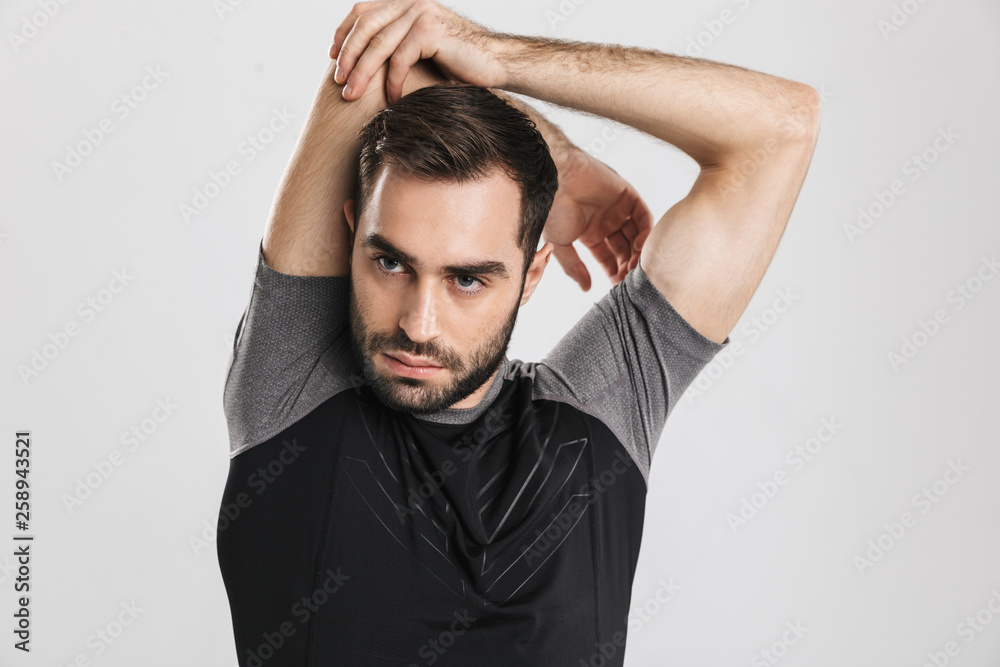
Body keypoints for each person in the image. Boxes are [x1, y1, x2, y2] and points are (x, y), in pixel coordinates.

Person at [216, 1, 820, 665]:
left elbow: (781, 129)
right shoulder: (293, 386)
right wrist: (554, 153)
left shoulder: (597, 416)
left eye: (467, 279)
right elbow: (387, 51)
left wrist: (503, 58)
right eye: (391, 262)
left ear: (532, 272)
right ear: (352, 232)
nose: (418, 324)